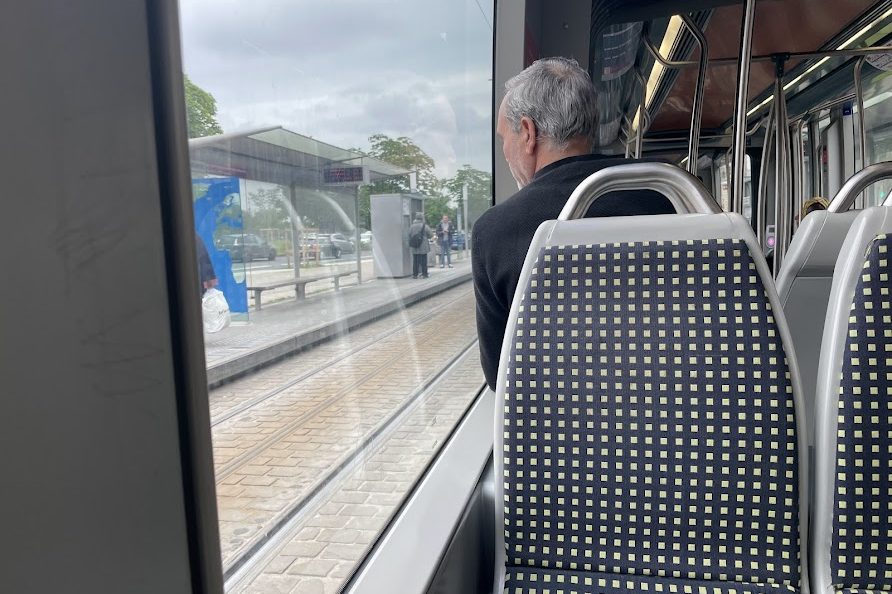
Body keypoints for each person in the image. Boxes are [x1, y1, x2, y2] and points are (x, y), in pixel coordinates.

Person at [472, 56, 675, 391]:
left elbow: (501, 377)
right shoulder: (664, 195)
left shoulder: (494, 232)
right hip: (669, 414)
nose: (505, 152)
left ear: (527, 132)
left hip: (560, 436)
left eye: (503, 137)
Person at [408, 214, 432, 279]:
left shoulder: (412, 226)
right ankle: (424, 274)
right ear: (422, 218)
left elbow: (409, 234)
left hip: (415, 246)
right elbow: (430, 235)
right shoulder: (424, 226)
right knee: (423, 261)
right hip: (423, 246)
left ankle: (415, 275)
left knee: (415, 261)